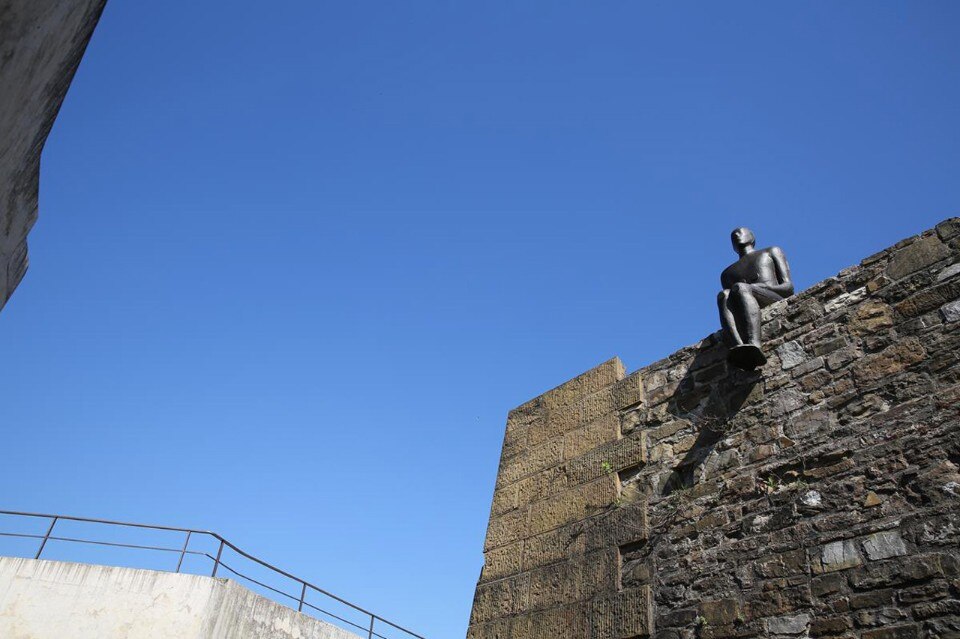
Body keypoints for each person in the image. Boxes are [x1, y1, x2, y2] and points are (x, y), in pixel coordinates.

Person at [717, 227, 794, 369]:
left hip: (771, 296)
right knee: (724, 295)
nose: (737, 235)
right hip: (745, 301)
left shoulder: (770, 251)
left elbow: (788, 288)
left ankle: (754, 343)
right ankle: (738, 345)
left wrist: (760, 287)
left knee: (740, 287)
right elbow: (732, 303)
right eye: (733, 236)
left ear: (752, 237)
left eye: (741, 232)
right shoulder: (727, 273)